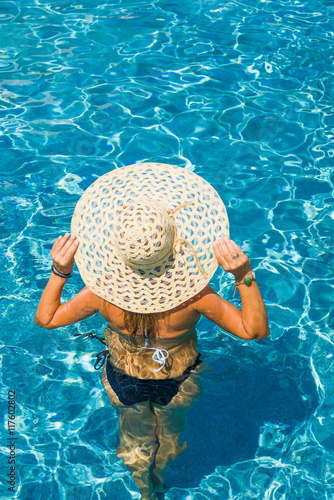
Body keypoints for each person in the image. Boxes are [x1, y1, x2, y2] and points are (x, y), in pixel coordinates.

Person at [35, 162, 269, 500]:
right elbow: (254, 331)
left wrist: (59, 270)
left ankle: (144, 494)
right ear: (175, 243)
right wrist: (243, 275)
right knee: (170, 439)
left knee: (134, 441)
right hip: (179, 378)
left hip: (122, 375)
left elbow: (47, 319)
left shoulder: (100, 292)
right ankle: (158, 488)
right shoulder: (194, 297)